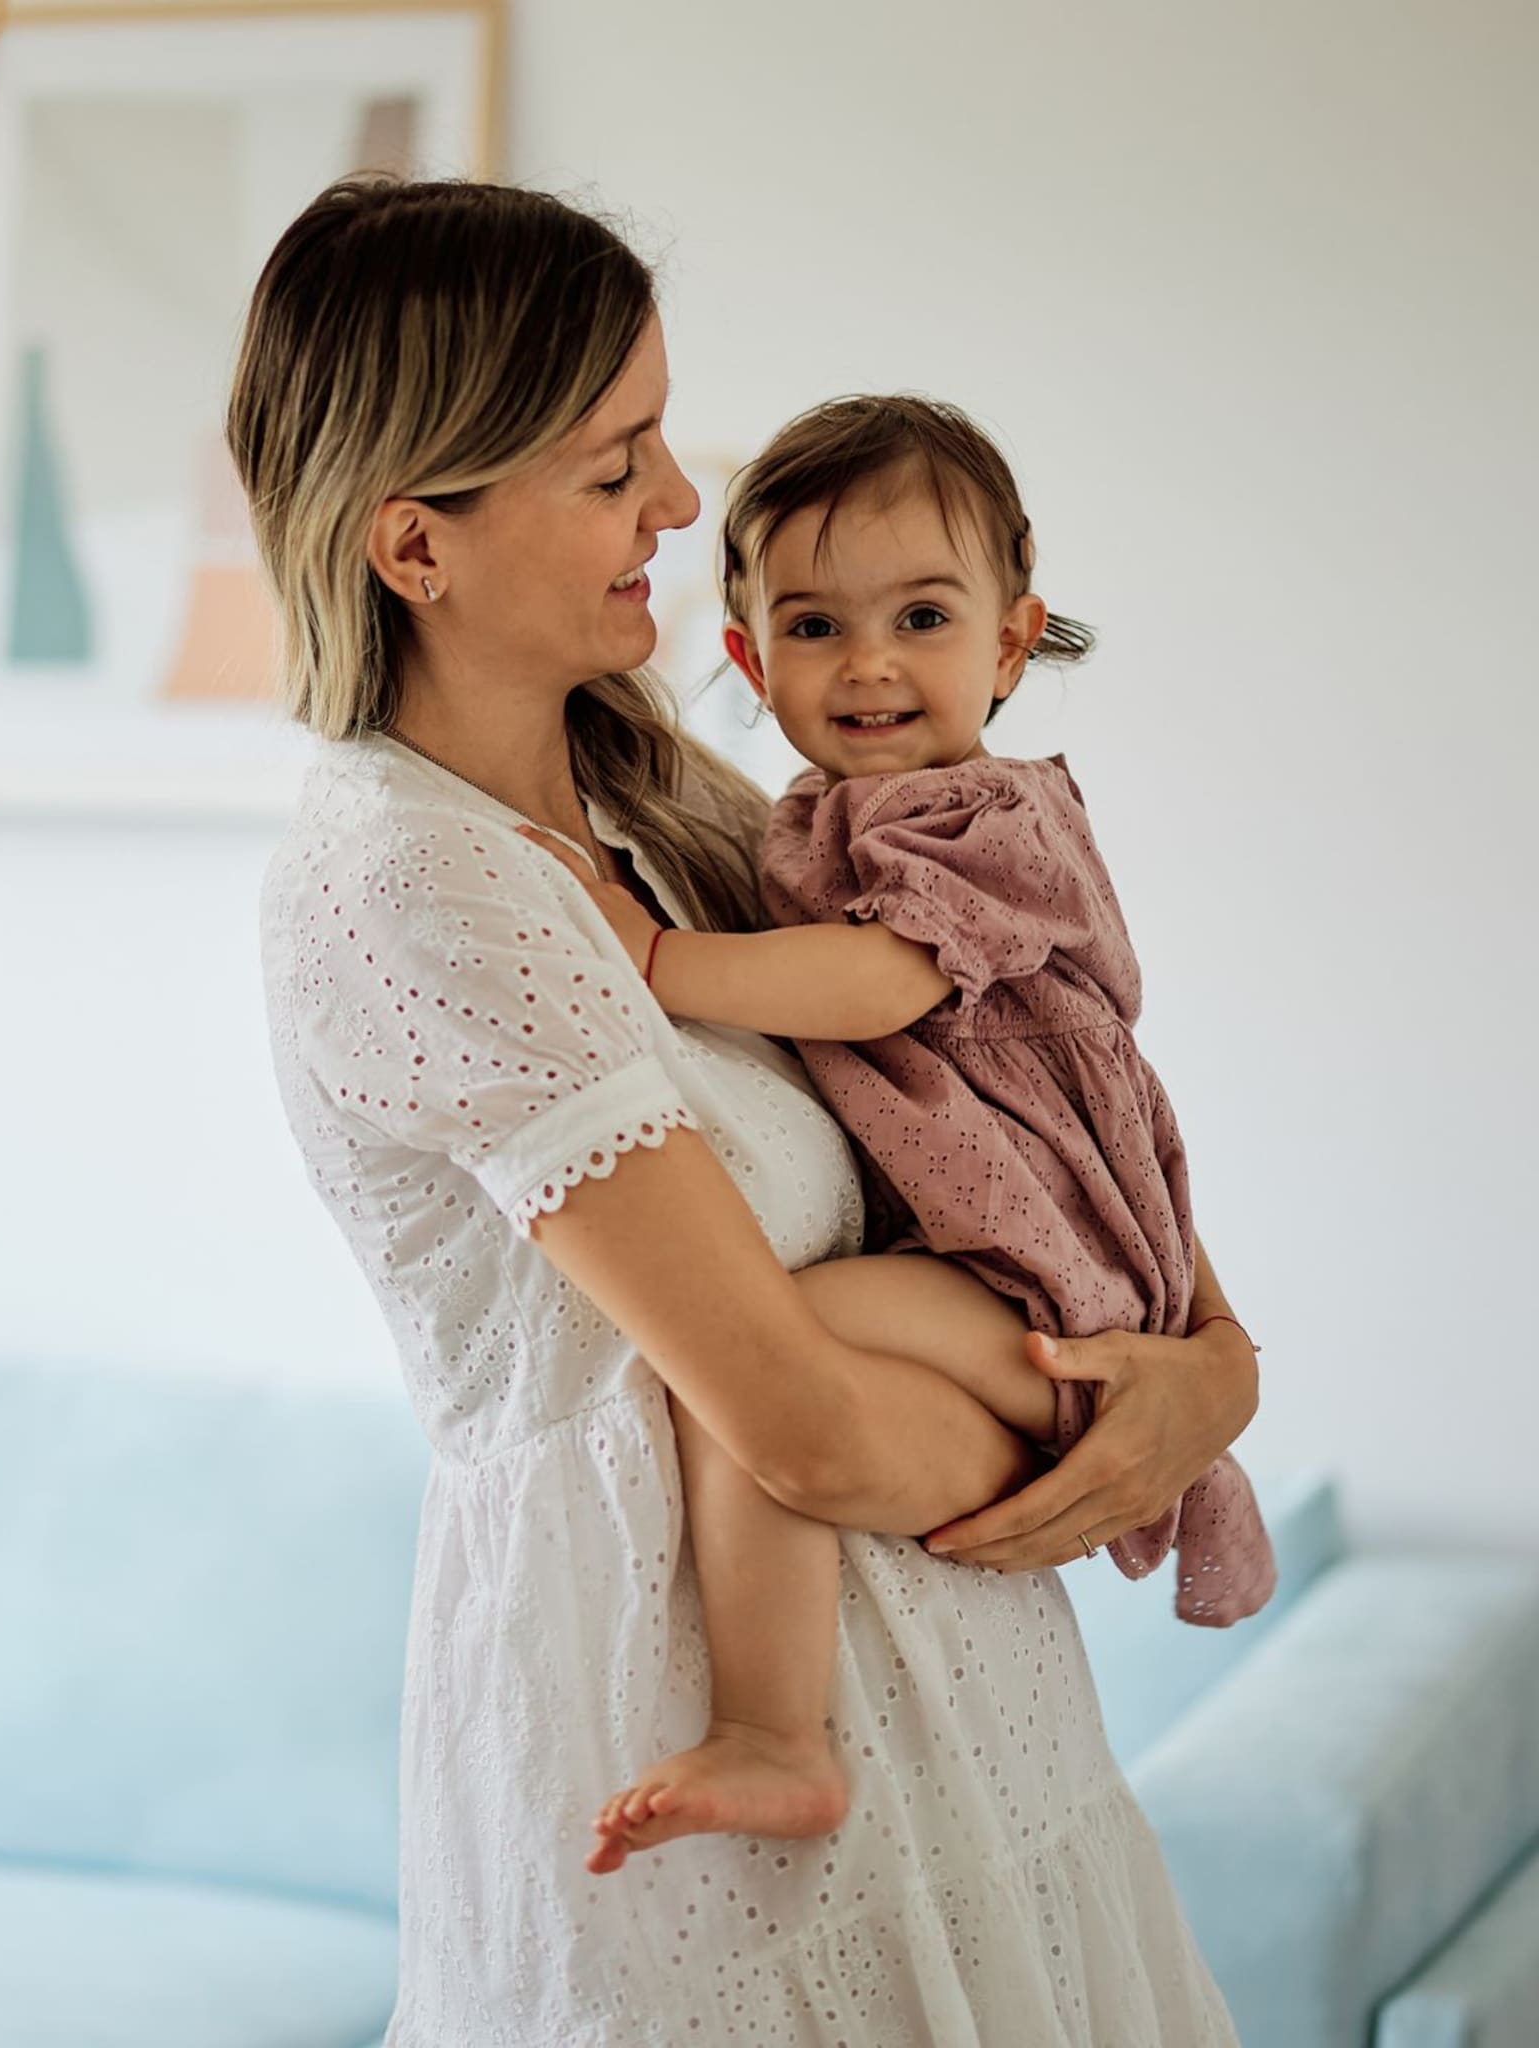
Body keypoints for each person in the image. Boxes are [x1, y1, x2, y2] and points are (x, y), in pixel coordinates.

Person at [239, 174, 1251, 2043]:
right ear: (415, 546)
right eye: (616, 464)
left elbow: (1025, 1110)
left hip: (960, 1726)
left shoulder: (685, 815)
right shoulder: (418, 885)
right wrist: (1117, 1430)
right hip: (683, 1744)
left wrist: (1212, 1368)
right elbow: (799, 1426)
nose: (683, 506)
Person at [525, 394, 1277, 1878]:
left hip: (1036, 1271)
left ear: (1009, 642)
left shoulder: (993, 818)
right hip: (985, 1245)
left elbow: (886, 979)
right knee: (766, 1367)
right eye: (811, 628)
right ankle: (778, 1733)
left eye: (922, 616)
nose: (867, 663)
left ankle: (772, 1732)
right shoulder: (799, 822)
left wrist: (662, 964)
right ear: (746, 658)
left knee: (772, 1350)